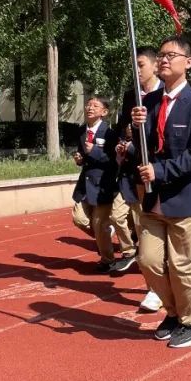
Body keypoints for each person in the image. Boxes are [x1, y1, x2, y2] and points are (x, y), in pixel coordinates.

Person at [130, 36, 191, 348]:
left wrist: (161, 171)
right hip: (153, 199)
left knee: (181, 265)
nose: (164, 60)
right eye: (161, 56)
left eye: (171, 55)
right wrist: (137, 127)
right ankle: (174, 312)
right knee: (149, 260)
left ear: (188, 62)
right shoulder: (148, 104)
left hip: (185, 198)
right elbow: (142, 150)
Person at [115, 47, 164, 311]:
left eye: (141, 64)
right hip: (139, 172)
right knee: (145, 230)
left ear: (155, 66)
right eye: (134, 65)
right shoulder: (130, 96)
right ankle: (154, 289)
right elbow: (124, 127)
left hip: (165, 172)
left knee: (173, 235)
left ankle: (184, 274)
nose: (137, 70)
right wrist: (126, 138)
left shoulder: (165, 94)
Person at [71, 96, 121, 272]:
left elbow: (114, 161)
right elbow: (83, 155)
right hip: (85, 185)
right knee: (79, 219)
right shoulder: (82, 132)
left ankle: (108, 261)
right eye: (88, 105)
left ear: (104, 112)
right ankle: (106, 233)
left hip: (102, 186)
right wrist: (79, 159)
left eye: (95, 105)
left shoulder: (110, 133)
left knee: (99, 225)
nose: (90, 108)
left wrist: (94, 153)